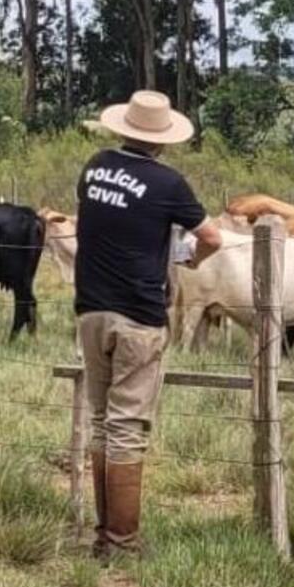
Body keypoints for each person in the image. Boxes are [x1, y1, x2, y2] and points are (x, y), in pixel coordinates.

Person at [75, 89, 222, 560]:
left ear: (122, 129)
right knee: (127, 427)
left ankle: (103, 534)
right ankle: (123, 543)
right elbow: (212, 236)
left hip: (90, 309)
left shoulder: (94, 167)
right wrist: (190, 258)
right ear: (163, 140)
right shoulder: (168, 184)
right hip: (138, 314)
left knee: (100, 421)